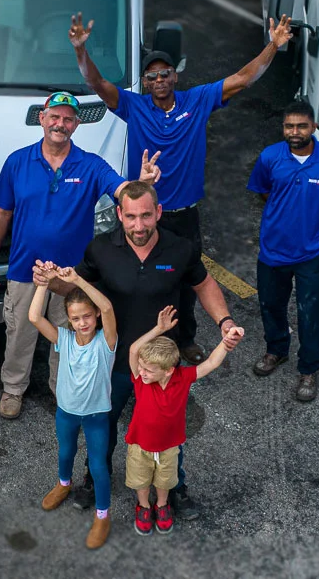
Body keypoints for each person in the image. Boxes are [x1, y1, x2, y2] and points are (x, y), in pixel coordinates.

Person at [73, 12, 292, 364]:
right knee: (126, 280)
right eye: (152, 75)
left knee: (188, 282)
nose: (159, 79)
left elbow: (243, 79)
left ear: (175, 75)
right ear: (144, 81)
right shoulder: (133, 106)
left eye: (165, 73)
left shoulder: (197, 100)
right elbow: (97, 83)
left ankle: (185, 339)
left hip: (184, 215)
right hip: (142, 216)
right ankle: (122, 337)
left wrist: (274, 47)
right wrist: (81, 52)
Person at [54, 181, 244, 521]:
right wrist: (47, 279)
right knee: (103, 424)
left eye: (145, 215)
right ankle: (94, 477)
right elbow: (72, 286)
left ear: (158, 212)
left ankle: (174, 489)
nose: (138, 226)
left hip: (162, 363)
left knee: (167, 428)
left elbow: (204, 284)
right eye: (130, 217)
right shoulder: (100, 248)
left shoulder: (180, 248)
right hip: (114, 359)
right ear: (119, 215)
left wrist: (225, 321)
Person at [0, 91, 158, 420]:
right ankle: (13, 388)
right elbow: (2, 215)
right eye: (55, 116)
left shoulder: (91, 165)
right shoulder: (17, 161)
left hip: (71, 276)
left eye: (67, 119)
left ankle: (61, 389)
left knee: (69, 336)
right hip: (25, 270)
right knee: (20, 332)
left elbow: (122, 190)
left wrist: (142, 184)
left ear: (76, 125)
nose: (60, 124)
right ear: (42, 118)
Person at [28, 268, 173, 549]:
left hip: (96, 415)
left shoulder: (106, 342)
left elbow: (106, 306)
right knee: (66, 451)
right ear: (68, 320)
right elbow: (34, 317)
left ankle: (102, 515)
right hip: (66, 411)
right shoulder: (64, 339)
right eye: (75, 318)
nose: (82, 323)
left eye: (87, 316)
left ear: (95, 316)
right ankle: (63, 484)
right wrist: (43, 284)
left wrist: (76, 281)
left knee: (98, 465)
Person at [246, 102, 319, 402]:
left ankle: (308, 368)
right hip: (273, 250)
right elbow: (264, 190)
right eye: (289, 126)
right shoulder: (270, 156)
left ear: (313, 127)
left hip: (311, 253)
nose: (294, 132)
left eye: (301, 126)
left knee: (309, 313)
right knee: (271, 305)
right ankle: (276, 351)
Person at [124, 320, 236, 536]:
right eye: (141, 366)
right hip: (139, 444)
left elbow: (212, 362)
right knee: (141, 479)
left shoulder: (182, 378)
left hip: (169, 446)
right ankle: (144, 505)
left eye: (148, 369)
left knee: (165, 479)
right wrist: (157, 329)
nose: (142, 372)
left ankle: (162, 504)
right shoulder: (140, 379)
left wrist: (226, 341)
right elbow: (133, 349)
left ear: (168, 371)